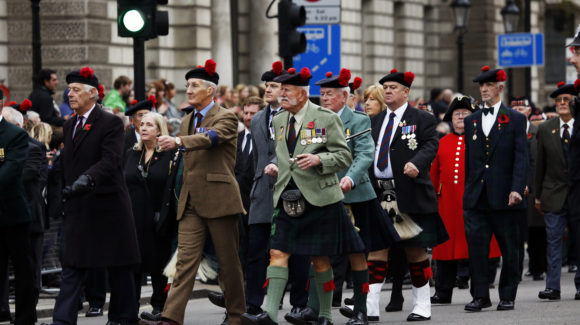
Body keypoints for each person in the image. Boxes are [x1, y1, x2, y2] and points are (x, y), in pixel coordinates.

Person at [241, 66, 363, 325]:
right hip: (287, 197)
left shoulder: (326, 117)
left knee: (319, 259)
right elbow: (284, 156)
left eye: (287, 90)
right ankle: (270, 314)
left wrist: (319, 158)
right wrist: (277, 167)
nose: (281, 95)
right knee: (277, 253)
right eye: (280, 90)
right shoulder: (279, 119)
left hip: (319, 197)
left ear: (303, 94)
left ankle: (326, 314)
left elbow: (344, 155)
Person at [141, 59, 246, 325]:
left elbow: (211, 138)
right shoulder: (188, 119)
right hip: (190, 203)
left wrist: (177, 141)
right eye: (187, 85)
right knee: (184, 262)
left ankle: (237, 314)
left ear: (210, 90)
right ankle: (170, 318)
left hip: (220, 200)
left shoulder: (226, 117)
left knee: (228, 262)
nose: (188, 90)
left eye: (194, 85)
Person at [207, 62, 311, 323]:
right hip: (261, 193)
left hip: (291, 190)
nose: (268, 89)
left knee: (296, 250)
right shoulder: (260, 118)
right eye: (267, 85)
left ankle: (299, 304)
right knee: (256, 252)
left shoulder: (297, 115)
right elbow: (257, 157)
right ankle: (252, 305)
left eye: (274, 86)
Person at [41, 66, 141, 325]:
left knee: (119, 268)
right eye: (69, 90)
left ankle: (123, 318)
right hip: (80, 207)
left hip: (109, 207)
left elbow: (110, 161)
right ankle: (62, 321)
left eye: (75, 90)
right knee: (73, 267)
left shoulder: (110, 123)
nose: (69, 94)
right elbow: (67, 163)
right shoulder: (71, 123)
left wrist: (87, 179)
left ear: (93, 94)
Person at [315, 69, 399, 325]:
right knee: (320, 253)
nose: (324, 98)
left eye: (330, 94)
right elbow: (311, 151)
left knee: (357, 254)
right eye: (322, 94)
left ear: (344, 96)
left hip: (356, 195)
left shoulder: (359, 120)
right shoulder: (315, 121)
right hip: (325, 195)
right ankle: (322, 312)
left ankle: (361, 310)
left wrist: (350, 177)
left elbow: (364, 154)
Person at [369, 69, 448, 322]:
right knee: (377, 249)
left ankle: (422, 304)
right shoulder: (375, 120)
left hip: (410, 192)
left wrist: (418, 163)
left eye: (393, 87)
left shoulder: (421, 118)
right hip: (382, 193)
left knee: (414, 251)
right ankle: (370, 306)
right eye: (386, 87)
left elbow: (431, 144)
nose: (388, 90)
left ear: (406, 92)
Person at [463, 65, 527, 312]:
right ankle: (480, 295)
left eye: (488, 85)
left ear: (500, 88)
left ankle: (507, 294)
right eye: (481, 86)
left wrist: (517, 188)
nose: (484, 90)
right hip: (477, 197)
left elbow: (520, 157)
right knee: (477, 249)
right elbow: (471, 159)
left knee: (509, 249)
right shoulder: (471, 121)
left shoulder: (515, 119)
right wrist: (469, 191)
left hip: (504, 196)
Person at [429, 96, 501, 305]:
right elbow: (434, 174)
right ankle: (443, 292)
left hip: (475, 202)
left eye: (465, 114)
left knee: (477, 247)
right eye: (456, 114)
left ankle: (479, 291)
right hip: (448, 204)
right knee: (445, 249)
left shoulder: (482, 140)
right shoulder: (441, 142)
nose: (460, 117)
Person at [125, 111, 176, 317]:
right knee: (133, 265)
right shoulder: (131, 153)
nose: (143, 128)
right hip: (133, 217)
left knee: (158, 265)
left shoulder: (169, 155)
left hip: (158, 217)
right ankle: (130, 307)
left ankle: (159, 306)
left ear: (159, 130)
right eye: (142, 124)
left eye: (149, 125)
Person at [536, 81, 578, 300]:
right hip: (553, 195)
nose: (562, 104)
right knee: (552, 242)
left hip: (578, 194)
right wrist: (537, 195)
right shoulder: (545, 128)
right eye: (559, 100)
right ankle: (552, 287)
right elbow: (540, 164)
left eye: (567, 100)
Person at [0, 89, 36, 325]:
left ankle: (24, 319)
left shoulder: (14, 134)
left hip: (10, 214)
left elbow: (9, 173)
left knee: (23, 270)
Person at [511, 97, 545, 281]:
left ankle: (537, 267)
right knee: (516, 232)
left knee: (535, 230)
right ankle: (516, 270)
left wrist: (530, 185)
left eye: (522, 108)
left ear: (529, 111)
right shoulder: (506, 131)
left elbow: (537, 162)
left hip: (531, 188)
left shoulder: (537, 131)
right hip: (513, 188)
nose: (518, 111)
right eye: (515, 108)